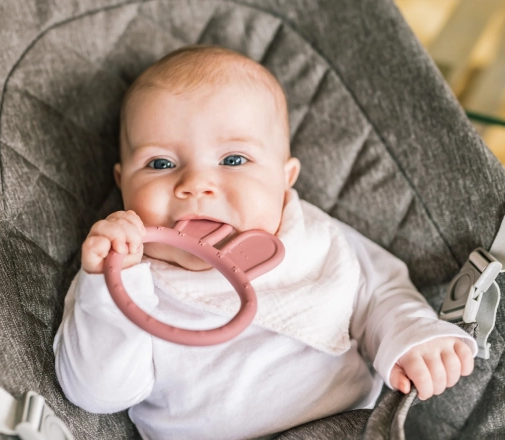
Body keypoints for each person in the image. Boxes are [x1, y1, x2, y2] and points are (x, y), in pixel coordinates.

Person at [53, 45, 476, 440]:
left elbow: (382, 292)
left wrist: (413, 336)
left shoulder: (315, 237)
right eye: (160, 163)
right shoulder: (118, 273)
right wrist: (109, 290)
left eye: (234, 160)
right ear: (122, 182)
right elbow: (97, 394)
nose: (196, 184)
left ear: (285, 177)